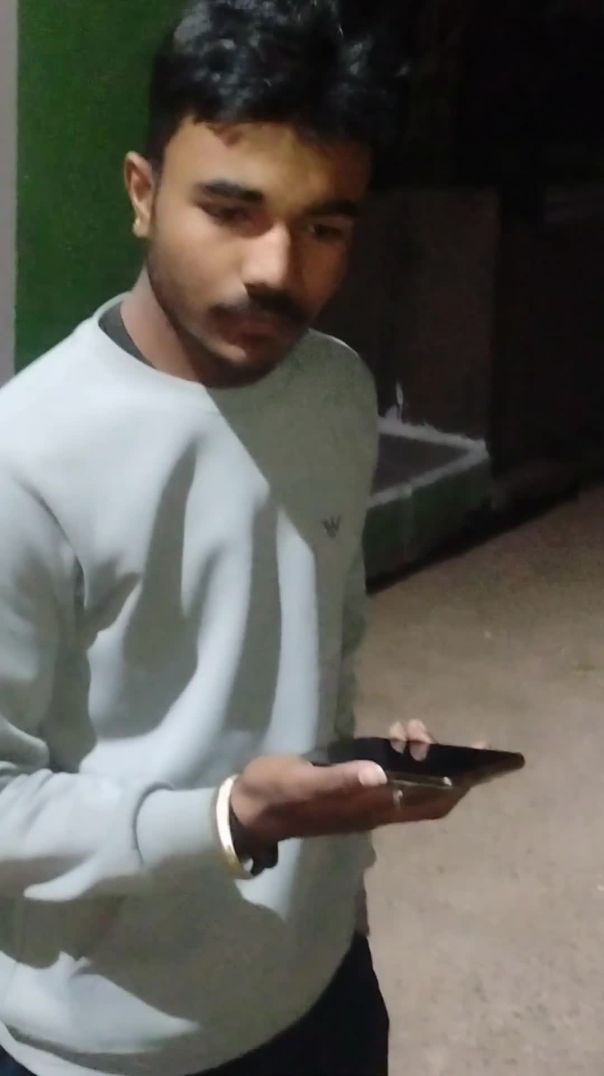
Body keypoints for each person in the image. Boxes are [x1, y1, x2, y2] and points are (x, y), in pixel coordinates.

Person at [0, 3, 466, 1074]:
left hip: (323, 987)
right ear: (141, 192)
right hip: (105, 1041)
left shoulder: (336, 391)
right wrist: (227, 818)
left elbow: (327, 643)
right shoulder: (26, 459)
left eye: (325, 227)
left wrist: (348, 801)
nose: (276, 267)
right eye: (230, 209)